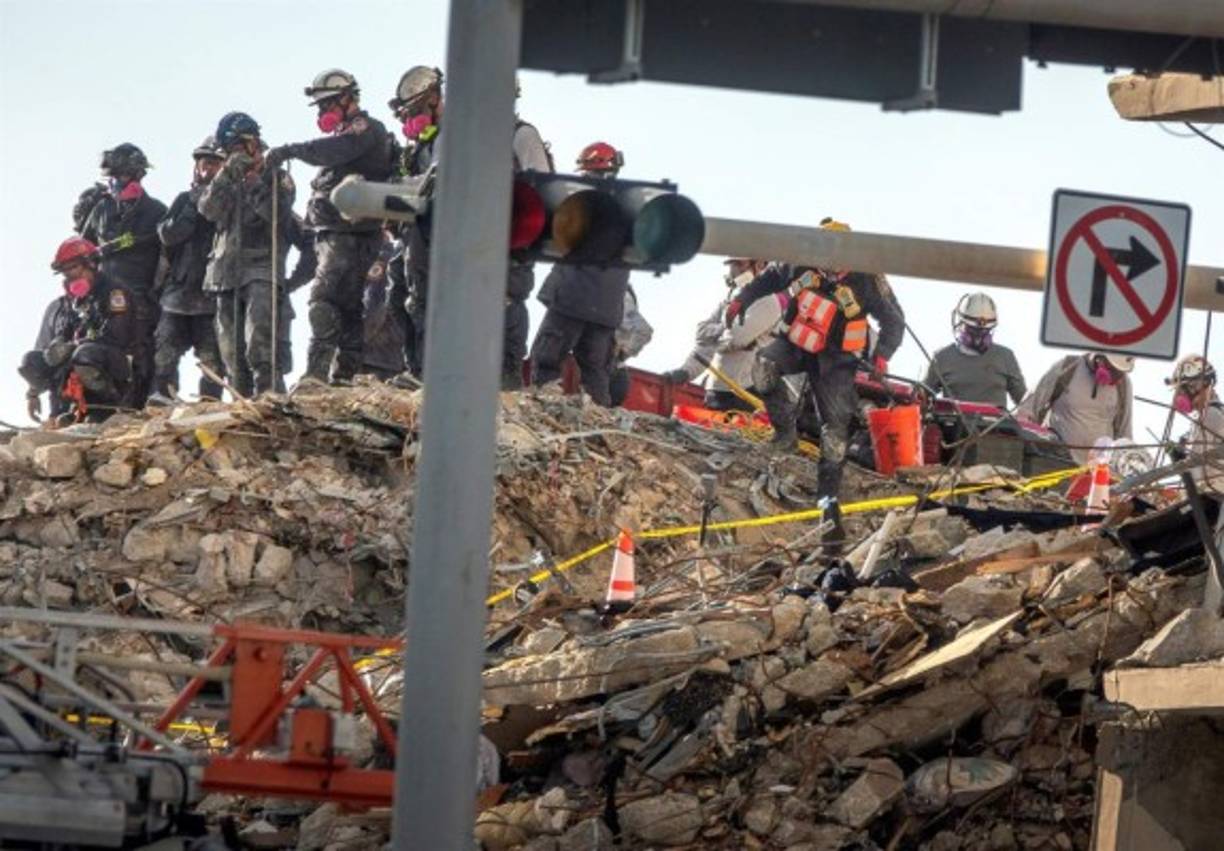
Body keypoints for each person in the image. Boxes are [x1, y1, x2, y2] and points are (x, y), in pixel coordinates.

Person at [733, 218, 905, 540]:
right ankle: (785, 434)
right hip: (797, 344)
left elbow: (894, 321)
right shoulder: (801, 261)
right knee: (764, 367)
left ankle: (828, 496)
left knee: (834, 432)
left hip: (837, 361)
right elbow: (769, 279)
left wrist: (882, 354)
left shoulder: (868, 279)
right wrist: (741, 299)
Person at [264, 69, 395, 385]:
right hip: (333, 236)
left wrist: (291, 150)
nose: (323, 112)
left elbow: (335, 150)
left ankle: (317, 374)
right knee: (347, 306)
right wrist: (292, 280)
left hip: (350, 235)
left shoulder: (364, 130)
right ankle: (344, 375)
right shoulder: (344, 138)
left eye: (328, 104)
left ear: (348, 98)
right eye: (320, 107)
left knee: (323, 300)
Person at [198, 111, 295, 397]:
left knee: (260, 345)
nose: (235, 154)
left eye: (239, 147)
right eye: (230, 150)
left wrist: (254, 182)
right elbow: (208, 210)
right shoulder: (227, 179)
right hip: (225, 276)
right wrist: (227, 174)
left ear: (253, 143)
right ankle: (241, 401)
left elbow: (275, 214)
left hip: (261, 270)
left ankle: (269, 397)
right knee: (231, 353)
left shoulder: (277, 176)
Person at [529, 142, 629, 406]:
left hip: (572, 299)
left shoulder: (579, 202)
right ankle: (598, 420)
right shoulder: (629, 207)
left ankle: (544, 410)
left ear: (589, 170)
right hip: (607, 309)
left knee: (546, 361)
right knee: (596, 375)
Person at [80, 143, 167, 405]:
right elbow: (84, 250)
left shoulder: (157, 211)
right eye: (113, 177)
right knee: (97, 349)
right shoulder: (101, 210)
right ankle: (101, 408)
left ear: (139, 175)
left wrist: (156, 293)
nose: (117, 182)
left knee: (142, 356)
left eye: (124, 176)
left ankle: (142, 405)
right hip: (103, 299)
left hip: (141, 298)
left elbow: (164, 254)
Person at [19, 237, 137, 422]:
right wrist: (32, 393)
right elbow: (47, 346)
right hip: (71, 376)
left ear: (91, 264)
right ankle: (64, 411)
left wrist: (73, 345)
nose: (69, 275)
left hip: (109, 366)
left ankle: (107, 409)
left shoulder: (114, 293)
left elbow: (117, 335)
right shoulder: (63, 306)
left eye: (73, 268)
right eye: (64, 271)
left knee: (84, 354)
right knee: (31, 360)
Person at [152, 137, 226, 400]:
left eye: (216, 164)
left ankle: (210, 405)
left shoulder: (233, 202)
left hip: (214, 294)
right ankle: (163, 399)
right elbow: (168, 236)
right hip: (178, 294)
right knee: (164, 354)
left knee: (213, 360)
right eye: (205, 164)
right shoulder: (184, 200)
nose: (209, 170)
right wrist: (193, 206)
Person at [664, 257, 781, 411]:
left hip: (744, 394)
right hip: (716, 392)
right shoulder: (731, 300)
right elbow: (702, 335)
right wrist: (687, 371)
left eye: (739, 264)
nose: (733, 271)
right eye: (732, 264)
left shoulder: (767, 302)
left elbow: (735, 339)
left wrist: (715, 333)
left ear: (759, 265)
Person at [387, 66, 444, 379]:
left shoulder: (454, 134)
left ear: (434, 98)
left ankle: (428, 372)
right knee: (398, 297)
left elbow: (437, 180)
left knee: (423, 301)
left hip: (437, 231)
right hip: (413, 230)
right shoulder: (424, 141)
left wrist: (397, 188)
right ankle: (415, 368)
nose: (411, 120)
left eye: (416, 111)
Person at [502, 82, 554, 390]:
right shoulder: (473, 141)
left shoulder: (522, 135)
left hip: (514, 238)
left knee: (507, 301)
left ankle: (507, 381)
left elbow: (543, 188)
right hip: (479, 239)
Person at [1016, 352, 1134, 463]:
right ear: (1099, 358)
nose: (1115, 378)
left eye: (1120, 373)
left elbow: (1125, 434)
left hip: (1097, 470)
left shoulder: (1123, 385)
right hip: (1055, 463)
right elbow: (1026, 410)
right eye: (1112, 370)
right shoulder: (1067, 367)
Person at [923, 292, 1026, 408]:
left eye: (984, 332)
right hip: (954, 419)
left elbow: (1025, 402)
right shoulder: (942, 358)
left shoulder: (1005, 357)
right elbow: (922, 397)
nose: (978, 338)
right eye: (973, 330)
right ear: (960, 323)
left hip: (996, 420)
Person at [1167, 354, 1224, 493]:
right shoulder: (1211, 414)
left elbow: (1197, 474)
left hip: (1212, 496)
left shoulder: (1209, 416)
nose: (1180, 395)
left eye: (1183, 389)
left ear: (1198, 386)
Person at [361, 237, 407, 380]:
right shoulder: (399, 253)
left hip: (375, 358)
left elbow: (374, 302)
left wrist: (356, 342)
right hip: (392, 356)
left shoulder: (381, 257)